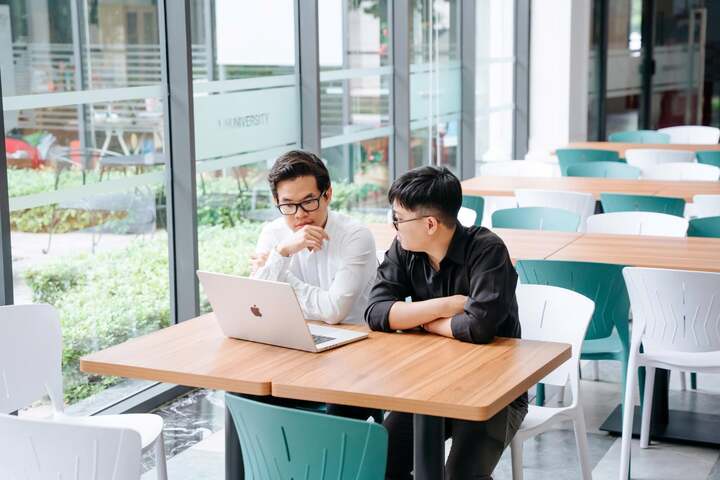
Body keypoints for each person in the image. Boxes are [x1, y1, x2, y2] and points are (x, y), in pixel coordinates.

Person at [364, 165, 528, 480]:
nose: (395, 226)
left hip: (496, 392)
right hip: (429, 388)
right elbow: (376, 312)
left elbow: (478, 327)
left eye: (398, 218)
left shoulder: (487, 250)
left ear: (430, 224)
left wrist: (423, 321)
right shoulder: (405, 249)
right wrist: (445, 306)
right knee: (378, 463)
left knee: (459, 475)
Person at [251, 149, 380, 421]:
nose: (299, 215)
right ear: (276, 201)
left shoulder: (355, 237)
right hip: (294, 346)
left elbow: (334, 311)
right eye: (288, 205)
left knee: (337, 402)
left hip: (354, 352)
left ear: (328, 194)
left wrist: (278, 267)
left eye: (309, 202)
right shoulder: (274, 234)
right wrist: (284, 251)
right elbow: (257, 304)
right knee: (247, 388)